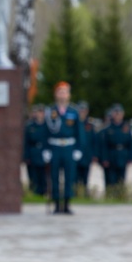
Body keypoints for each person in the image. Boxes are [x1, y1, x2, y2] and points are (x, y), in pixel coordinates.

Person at [43, 82, 84, 214]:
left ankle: (66, 204)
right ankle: (56, 204)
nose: (63, 94)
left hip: (69, 147)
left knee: (69, 176)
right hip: (54, 147)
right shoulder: (50, 111)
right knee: (54, 176)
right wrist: (46, 149)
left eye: (65, 91)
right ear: (56, 94)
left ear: (69, 95)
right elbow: (45, 132)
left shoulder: (73, 111)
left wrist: (78, 149)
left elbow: (79, 132)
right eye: (60, 91)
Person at [99, 103, 132, 193]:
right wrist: (105, 158)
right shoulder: (108, 129)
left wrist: (130, 157)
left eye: (119, 113)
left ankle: (121, 195)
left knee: (121, 178)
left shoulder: (126, 128)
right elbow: (104, 145)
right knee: (111, 178)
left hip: (123, 154)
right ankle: (110, 194)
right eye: (116, 113)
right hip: (112, 154)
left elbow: (131, 144)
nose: (117, 115)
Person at [23, 104, 48, 196]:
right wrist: (26, 156)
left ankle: (43, 191)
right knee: (33, 174)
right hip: (33, 152)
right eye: (39, 112)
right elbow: (26, 142)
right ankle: (34, 191)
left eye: (42, 112)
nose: (40, 114)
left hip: (44, 152)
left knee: (43, 174)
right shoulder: (30, 126)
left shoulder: (47, 125)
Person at [75, 101, 96, 195]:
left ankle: (85, 193)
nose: (82, 112)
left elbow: (94, 141)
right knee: (75, 176)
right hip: (75, 154)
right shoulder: (74, 123)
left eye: (84, 110)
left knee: (85, 176)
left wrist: (94, 155)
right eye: (80, 110)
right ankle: (75, 192)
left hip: (87, 154)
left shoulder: (90, 124)